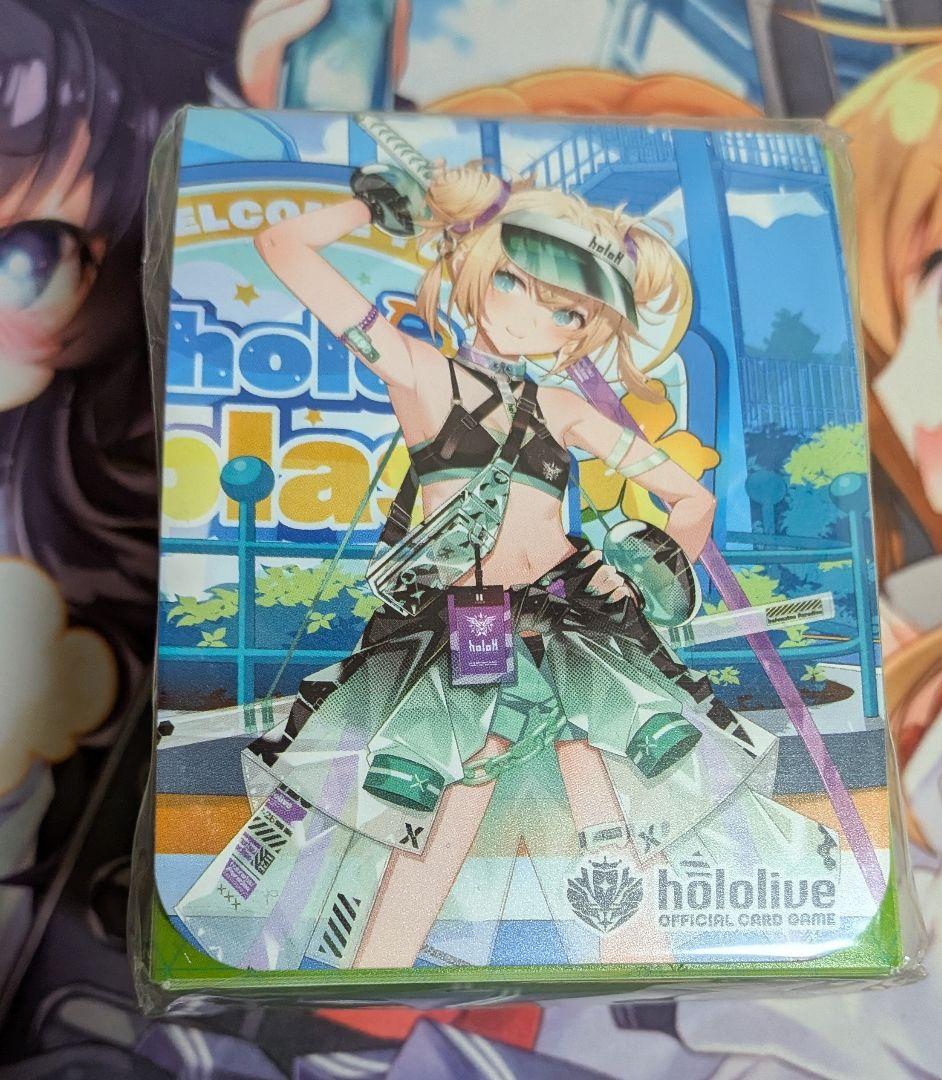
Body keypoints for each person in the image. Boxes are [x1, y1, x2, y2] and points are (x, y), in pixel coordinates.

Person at [177, 157, 836, 971]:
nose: (532, 315)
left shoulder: (562, 406)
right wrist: (373, 204)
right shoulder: (420, 372)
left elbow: (689, 497)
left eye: (566, 311)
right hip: (473, 624)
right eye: (514, 283)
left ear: (584, 329)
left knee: (606, 794)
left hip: (572, 618)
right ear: (477, 269)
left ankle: (639, 962)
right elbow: (281, 246)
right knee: (451, 801)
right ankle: (382, 968)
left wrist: (644, 575)